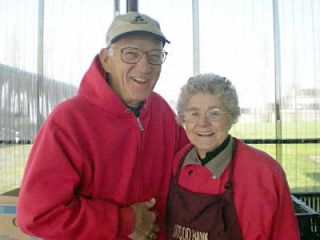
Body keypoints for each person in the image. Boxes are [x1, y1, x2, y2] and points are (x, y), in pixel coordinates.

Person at [17, 11, 189, 240]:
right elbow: (38, 215)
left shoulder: (161, 111)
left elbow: (193, 166)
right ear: (106, 60)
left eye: (155, 55)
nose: (145, 66)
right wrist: (126, 221)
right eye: (131, 54)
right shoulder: (69, 121)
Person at [166, 73, 300, 239]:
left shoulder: (264, 171)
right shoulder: (180, 161)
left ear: (230, 117)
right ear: (183, 118)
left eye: (214, 113)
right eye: (193, 113)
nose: (203, 123)